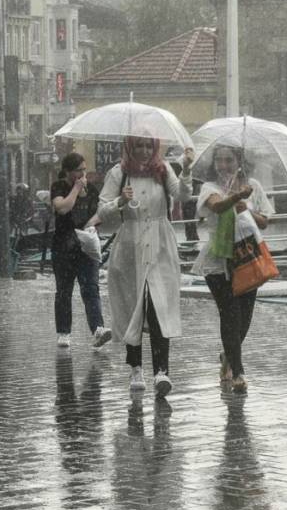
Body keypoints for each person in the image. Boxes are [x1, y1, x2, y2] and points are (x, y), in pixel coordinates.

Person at [97, 136, 193, 395]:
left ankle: (162, 370)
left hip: (160, 242)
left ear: (154, 148)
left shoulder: (163, 170)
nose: (143, 151)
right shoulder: (119, 173)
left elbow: (183, 194)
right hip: (130, 244)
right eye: (138, 145)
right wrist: (119, 201)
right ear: (129, 147)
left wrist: (186, 169)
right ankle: (135, 367)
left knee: (160, 305)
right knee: (132, 305)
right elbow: (101, 210)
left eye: (148, 146)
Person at [192, 144, 274, 393]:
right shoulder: (210, 187)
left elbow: (266, 221)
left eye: (229, 160)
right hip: (219, 261)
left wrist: (247, 206)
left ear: (239, 161)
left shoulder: (254, 186)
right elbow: (217, 206)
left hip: (247, 257)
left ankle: (228, 355)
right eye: (220, 160)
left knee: (245, 317)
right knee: (229, 314)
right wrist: (237, 197)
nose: (224, 165)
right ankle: (238, 372)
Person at [51, 153, 112, 350]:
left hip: (86, 247)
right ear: (68, 171)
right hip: (64, 246)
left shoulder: (92, 190)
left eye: (84, 169)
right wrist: (76, 189)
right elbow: (62, 208)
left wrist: (91, 223)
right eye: (78, 170)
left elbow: (99, 213)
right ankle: (64, 332)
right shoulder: (59, 187)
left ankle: (98, 329)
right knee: (64, 290)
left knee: (91, 288)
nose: (82, 173)